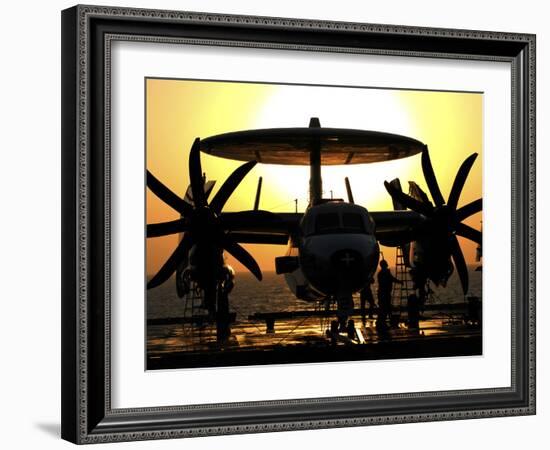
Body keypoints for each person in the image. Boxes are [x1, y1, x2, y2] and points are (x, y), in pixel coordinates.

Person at [376, 260, 402, 328]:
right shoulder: (382, 274)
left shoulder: (382, 273)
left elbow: (391, 279)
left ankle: (382, 322)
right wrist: (399, 281)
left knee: (385, 308)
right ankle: (381, 323)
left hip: (385, 293)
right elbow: (390, 279)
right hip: (383, 293)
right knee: (383, 308)